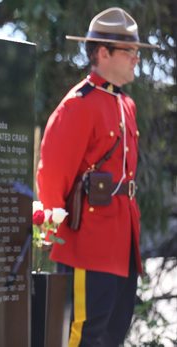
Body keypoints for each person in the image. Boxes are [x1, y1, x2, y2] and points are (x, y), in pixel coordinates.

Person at [36, 7, 158, 347]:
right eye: (129, 51)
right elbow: (53, 174)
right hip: (86, 244)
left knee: (113, 335)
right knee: (82, 334)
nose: (137, 58)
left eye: (137, 51)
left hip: (122, 245)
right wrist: (52, 232)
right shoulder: (78, 105)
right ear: (102, 53)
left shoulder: (125, 104)